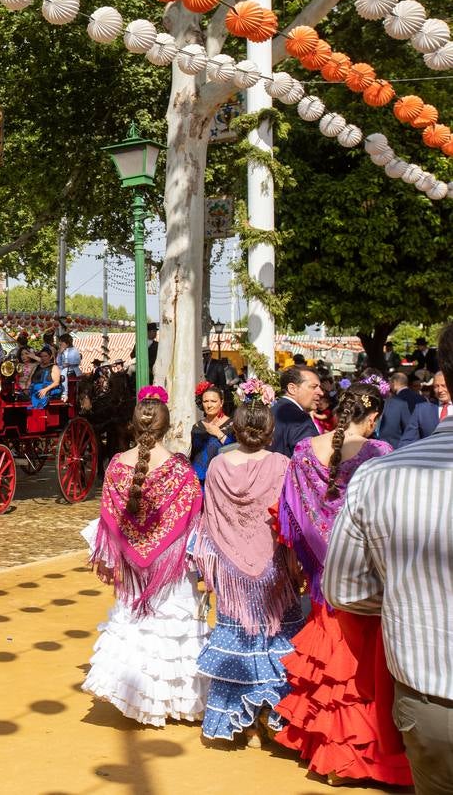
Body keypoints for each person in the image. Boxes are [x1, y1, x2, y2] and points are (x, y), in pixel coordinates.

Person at [324, 323, 453, 794]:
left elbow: (345, 589)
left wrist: (408, 594)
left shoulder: (382, 472)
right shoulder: (376, 461)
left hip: (430, 694)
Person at [273, 384, 411, 787]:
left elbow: (291, 513)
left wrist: (303, 556)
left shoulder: (303, 453)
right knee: (362, 667)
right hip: (364, 576)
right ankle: (361, 758)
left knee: (328, 666)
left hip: (321, 574)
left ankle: (327, 755)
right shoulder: (378, 453)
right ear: (371, 419)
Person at [83, 387, 208, 726]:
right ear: (167, 427)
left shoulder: (116, 467)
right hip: (171, 564)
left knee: (133, 623)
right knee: (173, 628)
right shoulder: (181, 470)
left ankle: (133, 696)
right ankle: (174, 699)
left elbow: (108, 517)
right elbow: (192, 519)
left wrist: (119, 556)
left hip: (132, 568)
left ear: (134, 426)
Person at [190, 389, 307, 743]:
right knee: (276, 642)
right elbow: (291, 522)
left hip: (230, 571)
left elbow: (209, 519)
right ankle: (276, 719)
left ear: (236, 429)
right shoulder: (282, 466)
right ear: (269, 431)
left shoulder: (219, 466)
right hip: (273, 570)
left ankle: (232, 722)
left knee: (238, 639)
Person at [189, 382, 235, 486]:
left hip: (223, 481)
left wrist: (219, 434)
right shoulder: (197, 427)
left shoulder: (232, 425)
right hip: (200, 482)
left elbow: (235, 450)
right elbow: (194, 455)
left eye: (213, 401)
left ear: (221, 402)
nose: (209, 405)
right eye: (205, 401)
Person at [270, 364, 321, 456]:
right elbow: (309, 461)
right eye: (313, 387)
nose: (320, 392)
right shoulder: (300, 418)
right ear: (292, 389)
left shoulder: (270, 411)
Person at [400, 370, 450, 446]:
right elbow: (407, 441)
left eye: (444, 386)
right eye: (436, 386)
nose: (440, 390)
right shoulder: (422, 410)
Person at [377, 371, 422, 448]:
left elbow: (409, 430)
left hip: (395, 451)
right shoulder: (421, 398)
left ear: (394, 382)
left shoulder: (398, 402)